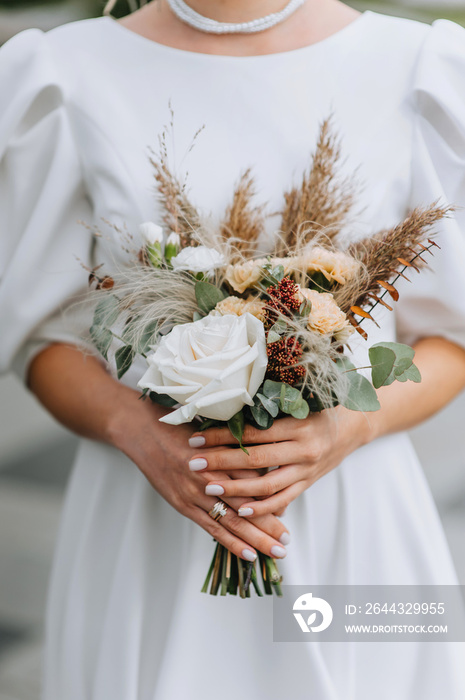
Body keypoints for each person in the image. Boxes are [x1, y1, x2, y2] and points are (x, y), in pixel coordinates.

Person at [1, 0, 465, 697]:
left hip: (355, 514)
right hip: (152, 517)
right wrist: (140, 431)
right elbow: (39, 336)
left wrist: (349, 424)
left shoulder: (420, 68)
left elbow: (453, 338)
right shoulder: (63, 75)